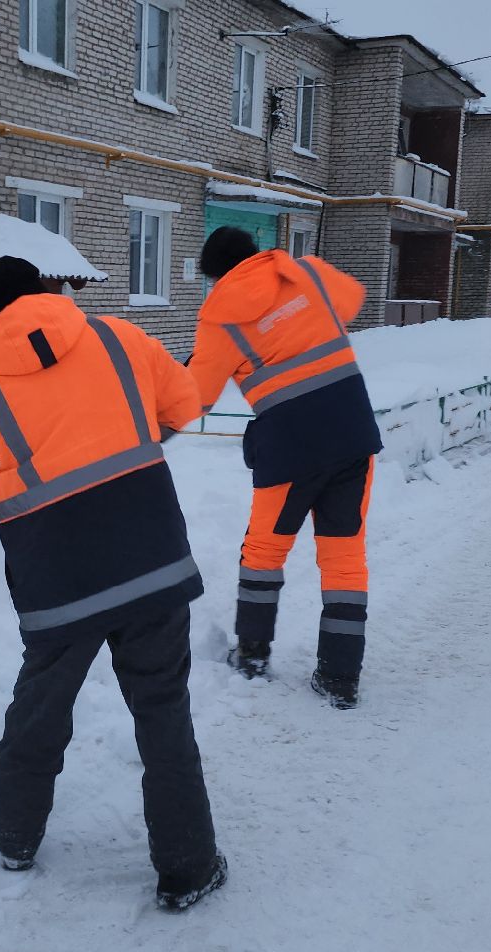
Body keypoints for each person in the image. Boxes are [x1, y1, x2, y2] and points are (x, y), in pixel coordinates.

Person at [0, 255, 226, 911]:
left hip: (58, 584)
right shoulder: (120, 339)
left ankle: (14, 839)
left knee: (40, 712)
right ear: (44, 294)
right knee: (163, 714)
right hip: (150, 559)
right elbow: (184, 402)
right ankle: (187, 867)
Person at [187, 227, 377, 710]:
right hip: (351, 429)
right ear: (255, 254)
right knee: (345, 557)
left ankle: (251, 656)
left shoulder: (221, 317)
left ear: (216, 276)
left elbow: (196, 397)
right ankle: (340, 678)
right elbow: (353, 298)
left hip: (290, 445)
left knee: (264, 551)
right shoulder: (305, 272)